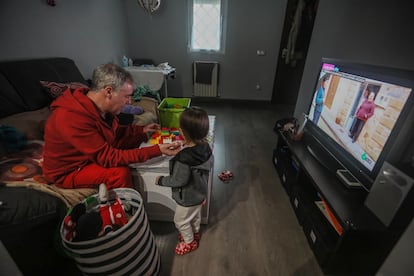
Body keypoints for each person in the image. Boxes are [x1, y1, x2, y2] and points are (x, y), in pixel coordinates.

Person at [43, 63, 180, 189]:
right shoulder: (71, 117)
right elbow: (108, 158)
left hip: (89, 155)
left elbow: (112, 131)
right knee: (119, 173)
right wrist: (157, 150)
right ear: (108, 91)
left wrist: (141, 130)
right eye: (126, 96)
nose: (130, 101)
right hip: (70, 170)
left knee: (138, 137)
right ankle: (127, 211)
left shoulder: (102, 108)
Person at [155, 107, 213, 255]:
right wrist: (185, 147)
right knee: (194, 216)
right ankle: (195, 232)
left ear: (182, 132)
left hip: (187, 198)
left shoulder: (184, 160)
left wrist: (161, 180)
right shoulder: (206, 147)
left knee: (180, 221)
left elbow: (178, 180)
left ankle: (189, 242)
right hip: (200, 193)